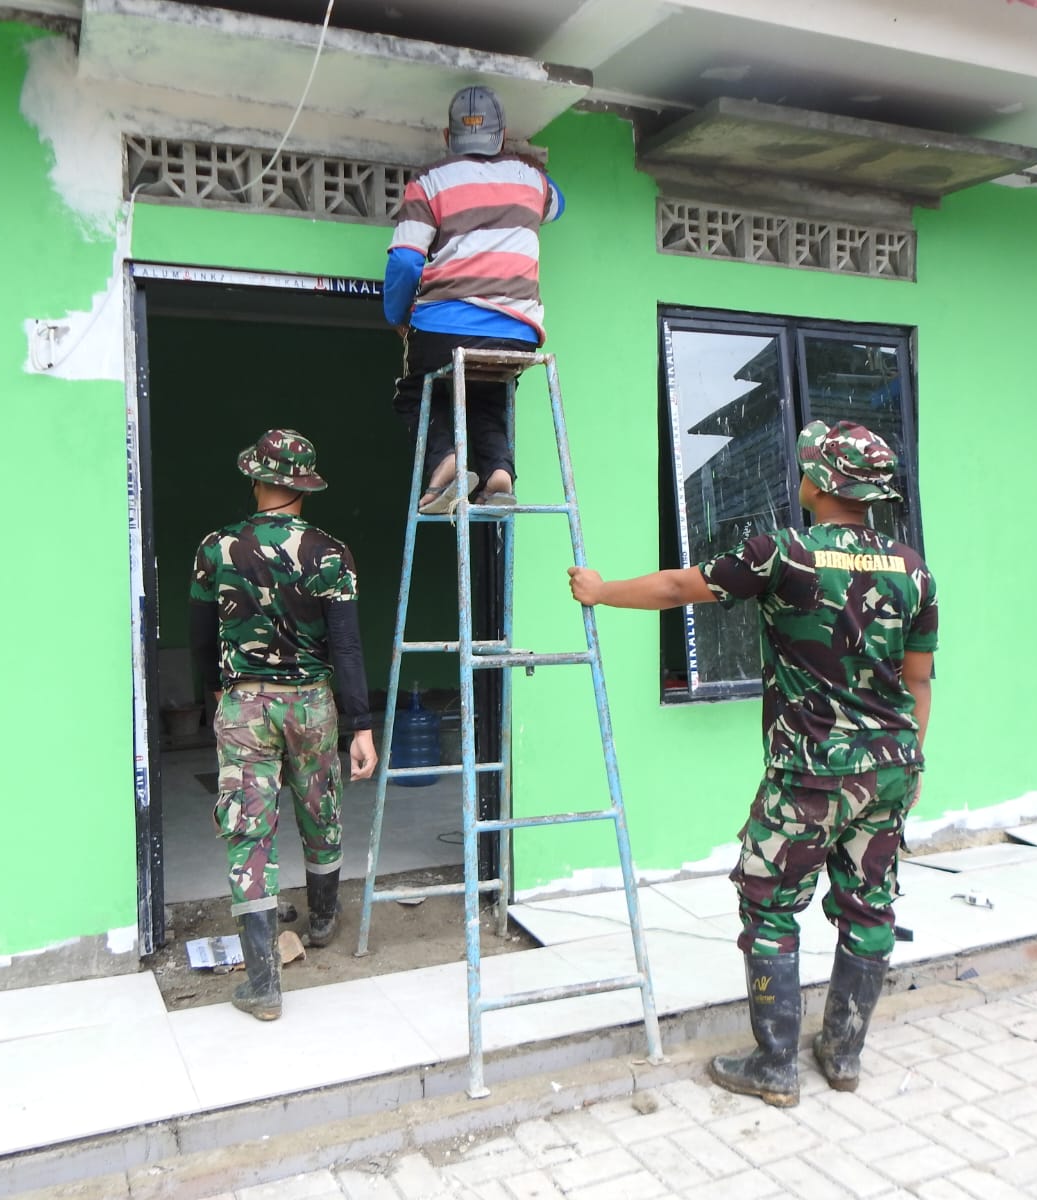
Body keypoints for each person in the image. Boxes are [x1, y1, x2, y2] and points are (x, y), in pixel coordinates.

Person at [567, 420, 937, 1106]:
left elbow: (682, 588)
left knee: (767, 904)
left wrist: (599, 590)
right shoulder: (912, 567)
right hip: (890, 766)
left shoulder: (784, 554)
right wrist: (911, 764)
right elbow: (919, 680)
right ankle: (843, 1055)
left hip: (809, 772)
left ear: (818, 483)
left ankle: (774, 1066)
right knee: (869, 906)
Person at [189, 429, 378, 1021]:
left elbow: (200, 637)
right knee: (319, 808)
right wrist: (362, 725)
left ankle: (263, 983)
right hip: (314, 704)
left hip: (245, 704)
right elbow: (346, 646)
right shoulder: (331, 553)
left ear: (257, 479)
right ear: (304, 486)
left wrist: (215, 692)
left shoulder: (216, 547)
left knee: (250, 830)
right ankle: (323, 920)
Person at [384, 85, 565, 514]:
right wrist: (521, 164)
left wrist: (396, 315)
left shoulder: (428, 182)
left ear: (448, 138)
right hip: (518, 334)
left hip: (446, 327)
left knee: (417, 391)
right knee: (488, 396)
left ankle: (445, 461)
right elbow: (559, 203)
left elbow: (407, 263)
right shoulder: (532, 181)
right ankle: (499, 474)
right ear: (501, 137)